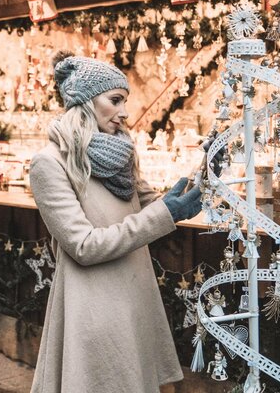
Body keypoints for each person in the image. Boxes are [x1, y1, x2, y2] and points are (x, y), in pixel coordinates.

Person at [29, 53, 202, 392]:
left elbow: (149, 204)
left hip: (134, 297)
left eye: (125, 101)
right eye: (115, 100)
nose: (124, 112)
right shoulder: (48, 164)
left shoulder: (121, 152)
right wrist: (166, 212)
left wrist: (198, 184)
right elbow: (83, 245)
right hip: (94, 304)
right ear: (86, 101)